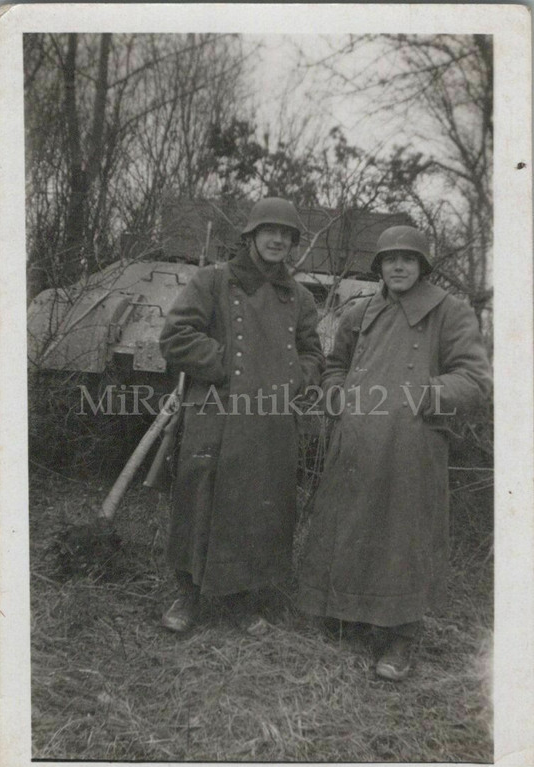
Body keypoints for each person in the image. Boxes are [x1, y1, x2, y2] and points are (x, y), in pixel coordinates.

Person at [297, 225, 492, 680]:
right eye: (390, 259)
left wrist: (423, 394)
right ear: (379, 266)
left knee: (404, 535)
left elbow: (475, 379)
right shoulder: (361, 311)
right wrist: (337, 397)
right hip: (356, 440)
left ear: (422, 266)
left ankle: (400, 636)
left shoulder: (450, 312)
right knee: (349, 524)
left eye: (408, 259)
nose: (398, 266)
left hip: (411, 443)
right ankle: (345, 613)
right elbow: (335, 364)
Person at [159, 197, 323, 635]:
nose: (277, 240)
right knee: (201, 499)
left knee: (260, 508)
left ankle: (244, 599)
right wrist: (229, 365)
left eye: (286, 234)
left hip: (271, 420)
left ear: (292, 243)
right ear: (251, 236)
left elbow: (313, 353)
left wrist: (293, 378)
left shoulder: (300, 297)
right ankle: (188, 595)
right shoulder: (213, 281)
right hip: (216, 412)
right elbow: (176, 337)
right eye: (269, 231)